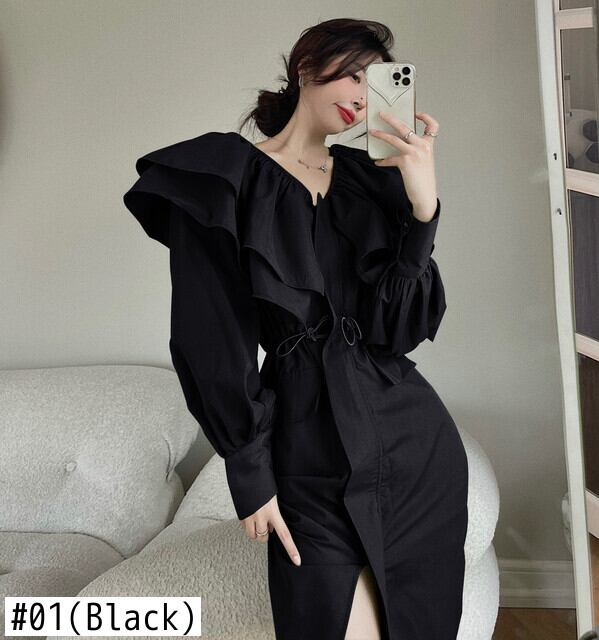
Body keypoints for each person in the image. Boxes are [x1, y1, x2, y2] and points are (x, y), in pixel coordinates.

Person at [123, 17, 468, 640]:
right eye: (354, 74)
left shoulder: (369, 181)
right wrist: (249, 472)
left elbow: (400, 327)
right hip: (307, 454)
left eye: (376, 81)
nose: (363, 94)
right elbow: (209, 339)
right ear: (308, 68)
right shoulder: (226, 177)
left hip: (414, 446)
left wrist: (422, 209)